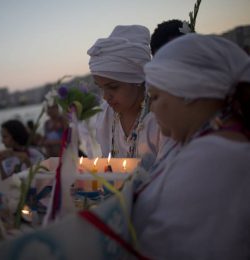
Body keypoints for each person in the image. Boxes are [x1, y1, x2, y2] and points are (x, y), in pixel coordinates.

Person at [132, 34, 250, 259]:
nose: (152, 110)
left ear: (188, 92)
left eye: (155, 97)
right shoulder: (210, 142)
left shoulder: (216, 156)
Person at [87, 25, 162, 169]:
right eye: (101, 87)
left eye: (113, 87)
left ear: (137, 81)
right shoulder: (105, 115)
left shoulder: (159, 117)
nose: (105, 97)